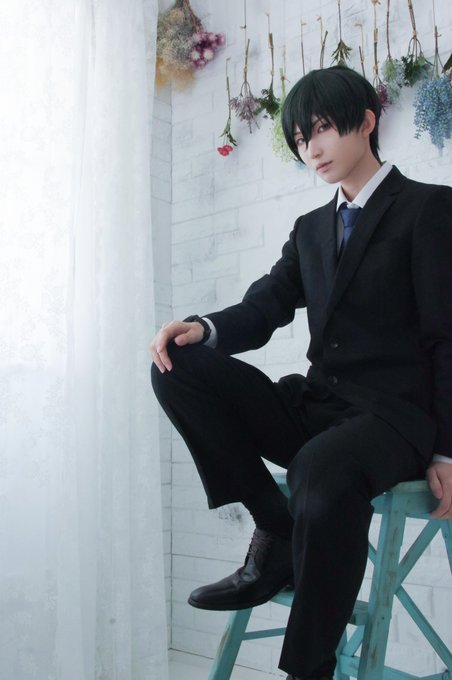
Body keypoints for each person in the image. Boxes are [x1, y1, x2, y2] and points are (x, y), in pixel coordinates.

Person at [150, 65, 452, 680]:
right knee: (174, 366)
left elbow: (447, 336)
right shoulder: (311, 228)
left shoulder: (430, 208)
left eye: (321, 129)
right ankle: (275, 524)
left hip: (392, 418)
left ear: (365, 122)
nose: (310, 148)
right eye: (298, 138)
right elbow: (265, 306)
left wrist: (448, 449)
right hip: (319, 406)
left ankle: (307, 669)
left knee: (320, 466)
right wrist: (201, 328)